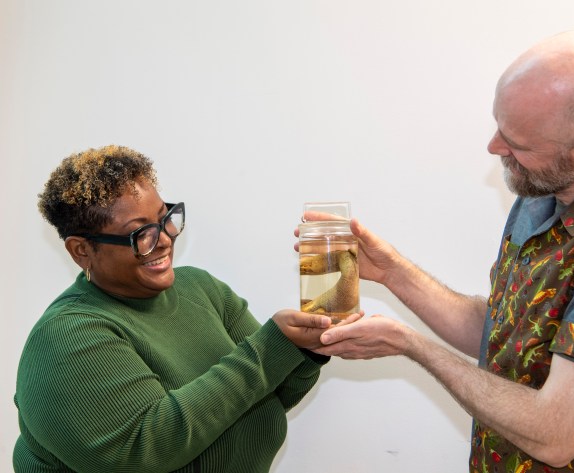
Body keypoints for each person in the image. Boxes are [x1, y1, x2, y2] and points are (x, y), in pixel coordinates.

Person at [307, 31, 574, 472]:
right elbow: (504, 335)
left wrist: (408, 344)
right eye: (499, 125)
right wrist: (392, 271)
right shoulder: (543, 191)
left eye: (517, 142)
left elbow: (558, 435)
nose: (495, 147)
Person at [14, 145, 334, 473]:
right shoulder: (66, 337)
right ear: (81, 250)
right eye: (141, 233)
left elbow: (272, 393)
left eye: (164, 218)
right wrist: (269, 349)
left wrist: (306, 349)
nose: (165, 239)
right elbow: (145, 453)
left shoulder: (201, 289)